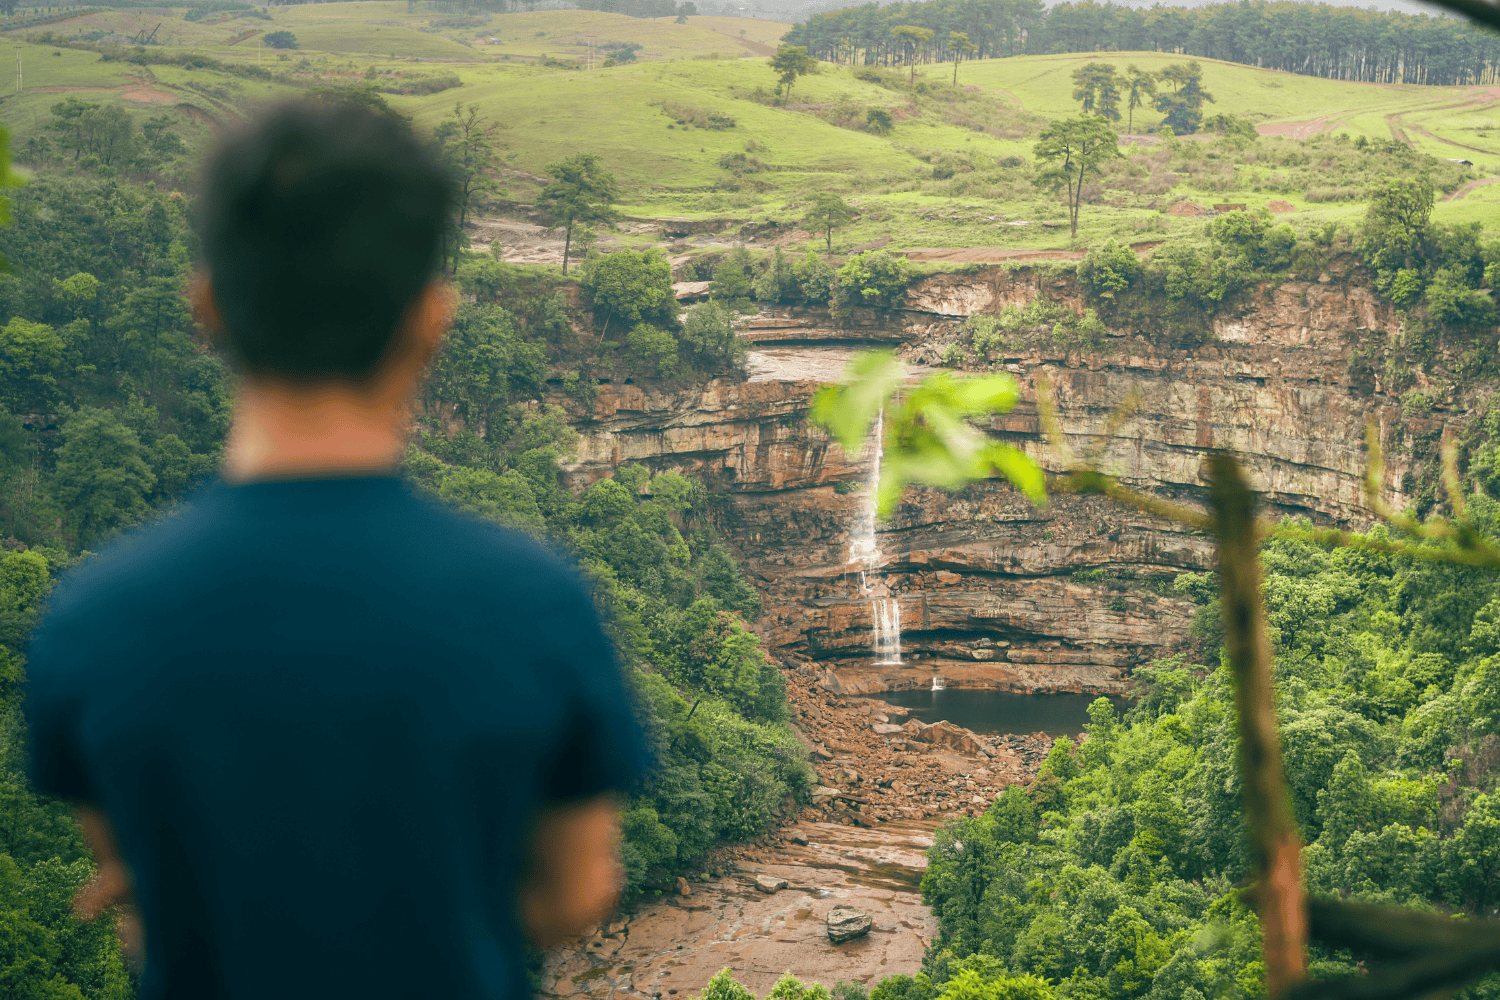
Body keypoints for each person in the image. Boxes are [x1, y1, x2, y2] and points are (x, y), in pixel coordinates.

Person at [24, 99, 647, 999]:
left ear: (207, 307)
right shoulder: (532, 600)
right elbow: (577, 892)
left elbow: (147, 894)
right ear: (432, 319)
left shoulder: (90, 616)